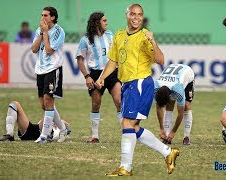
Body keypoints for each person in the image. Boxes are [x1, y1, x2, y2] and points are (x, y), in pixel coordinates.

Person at [95, 3, 179, 176]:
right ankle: (167, 152)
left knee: (126, 123)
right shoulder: (119, 35)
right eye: (133, 14)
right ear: (127, 15)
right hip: (127, 85)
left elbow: (161, 59)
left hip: (140, 84)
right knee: (132, 128)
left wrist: (153, 41)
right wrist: (102, 77)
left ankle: (126, 167)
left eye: (140, 15)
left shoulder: (144, 37)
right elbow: (113, 61)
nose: (136, 17)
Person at [76, 12, 122, 143]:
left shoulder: (110, 35)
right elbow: (80, 60)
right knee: (96, 104)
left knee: (119, 102)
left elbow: (116, 55)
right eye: (104, 20)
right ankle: (95, 136)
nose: (107, 23)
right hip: (95, 74)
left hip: (112, 73)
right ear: (97, 23)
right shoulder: (86, 39)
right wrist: (87, 77)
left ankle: (126, 134)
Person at [31, 6, 67, 143]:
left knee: (48, 100)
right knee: (44, 104)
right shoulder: (39, 31)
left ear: (53, 17)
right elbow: (34, 49)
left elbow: (49, 50)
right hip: (40, 70)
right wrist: (41, 33)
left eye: (45, 15)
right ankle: (63, 129)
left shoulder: (59, 31)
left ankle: (44, 136)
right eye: (42, 15)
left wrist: (45, 33)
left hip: (53, 69)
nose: (42, 18)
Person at [154, 64, 195, 145]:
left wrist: (173, 132)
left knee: (186, 106)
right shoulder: (156, 86)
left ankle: (186, 137)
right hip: (171, 80)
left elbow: (180, 113)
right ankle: (166, 136)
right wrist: (161, 128)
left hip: (187, 73)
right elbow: (158, 107)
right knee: (169, 106)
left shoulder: (178, 89)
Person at [0, 101, 71, 142]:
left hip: (43, 133)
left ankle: (45, 136)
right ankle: (9, 134)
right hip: (34, 130)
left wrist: (59, 124)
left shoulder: (61, 133)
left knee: (50, 104)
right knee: (14, 104)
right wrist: (58, 122)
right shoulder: (57, 124)